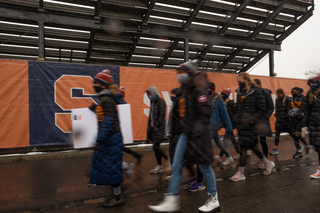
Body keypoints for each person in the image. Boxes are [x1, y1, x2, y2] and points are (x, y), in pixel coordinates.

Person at [148, 59, 220, 212]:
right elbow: (180, 116)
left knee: (205, 167)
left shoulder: (199, 91)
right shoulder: (184, 92)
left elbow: (204, 115)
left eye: (181, 72)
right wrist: (174, 132)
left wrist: (195, 132)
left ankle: (213, 199)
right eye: (178, 72)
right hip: (184, 135)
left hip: (198, 136)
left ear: (188, 74)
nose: (178, 75)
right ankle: (172, 199)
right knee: (177, 165)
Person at [88, 69, 125, 207]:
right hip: (111, 139)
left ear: (103, 85)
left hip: (111, 140)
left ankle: (118, 198)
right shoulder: (106, 100)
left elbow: (108, 123)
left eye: (96, 83)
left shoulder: (107, 100)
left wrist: (99, 139)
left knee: (112, 170)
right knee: (110, 169)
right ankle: (115, 196)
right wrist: (96, 108)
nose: (94, 86)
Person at [229, 72, 275, 182]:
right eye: (237, 82)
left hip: (251, 124)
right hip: (242, 124)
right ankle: (267, 163)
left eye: (240, 81)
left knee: (244, 147)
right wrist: (236, 118)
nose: (239, 84)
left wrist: (252, 119)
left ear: (246, 80)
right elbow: (239, 108)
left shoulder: (257, 92)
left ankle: (241, 173)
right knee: (251, 146)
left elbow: (262, 109)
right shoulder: (239, 92)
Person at [208, 83, 234, 166]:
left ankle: (205, 161)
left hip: (213, 125)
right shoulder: (207, 99)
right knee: (217, 141)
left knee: (206, 142)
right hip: (210, 125)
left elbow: (224, 114)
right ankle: (228, 156)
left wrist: (229, 127)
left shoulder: (217, 99)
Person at [146, 86, 168, 173]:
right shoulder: (152, 102)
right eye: (148, 95)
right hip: (153, 128)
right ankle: (161, 164)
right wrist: (149, 130)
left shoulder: (160, 101)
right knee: (155, 147)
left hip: (159, 128)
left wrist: (156, 126)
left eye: (150, 94)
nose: (149, 96)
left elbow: (162, 115)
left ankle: (164, 161)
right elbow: (150, 117)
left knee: (155, 146)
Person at [303, 75, 320, 178]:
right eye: (311, 84)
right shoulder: (309, 94)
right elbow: (306, 111)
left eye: (315, 84)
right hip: (314, 126)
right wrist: (304, 126)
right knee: (318, 148)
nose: (312, 86)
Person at [289, 87, 311, 158]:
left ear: (298, 91)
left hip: (300, 119)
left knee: (297, 134)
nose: (292, 93)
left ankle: (300, 150)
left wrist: (301, 116)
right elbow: (290, 108)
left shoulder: (303, 98)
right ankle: (302, 148)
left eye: (294, 91)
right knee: (294, 135)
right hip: (293, 119)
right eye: (292, 91)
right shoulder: (292, 99)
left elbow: (304, 109)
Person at [270, 88, 292, 155]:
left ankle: (299, 146)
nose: (278, 95)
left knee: (292, 133)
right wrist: (276, 115)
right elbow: (276, 108)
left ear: (282, 93)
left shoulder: (287, 99)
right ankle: (275, 148)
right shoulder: (277, 100)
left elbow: (289, 109)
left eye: (279, 94)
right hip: (279, 120)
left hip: (285, 120)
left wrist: (285, 117)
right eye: (277, 94)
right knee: (277, 134)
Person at [220, 88, 241, 159]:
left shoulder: (231, 103)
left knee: (225, 140)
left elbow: (235, 114)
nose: (221, 96)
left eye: (223, 94)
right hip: (228, 124)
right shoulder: (224, 104)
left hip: (231, 124)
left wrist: (233, 122)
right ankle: (239, 152)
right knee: (232, 139)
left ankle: (220, 156)